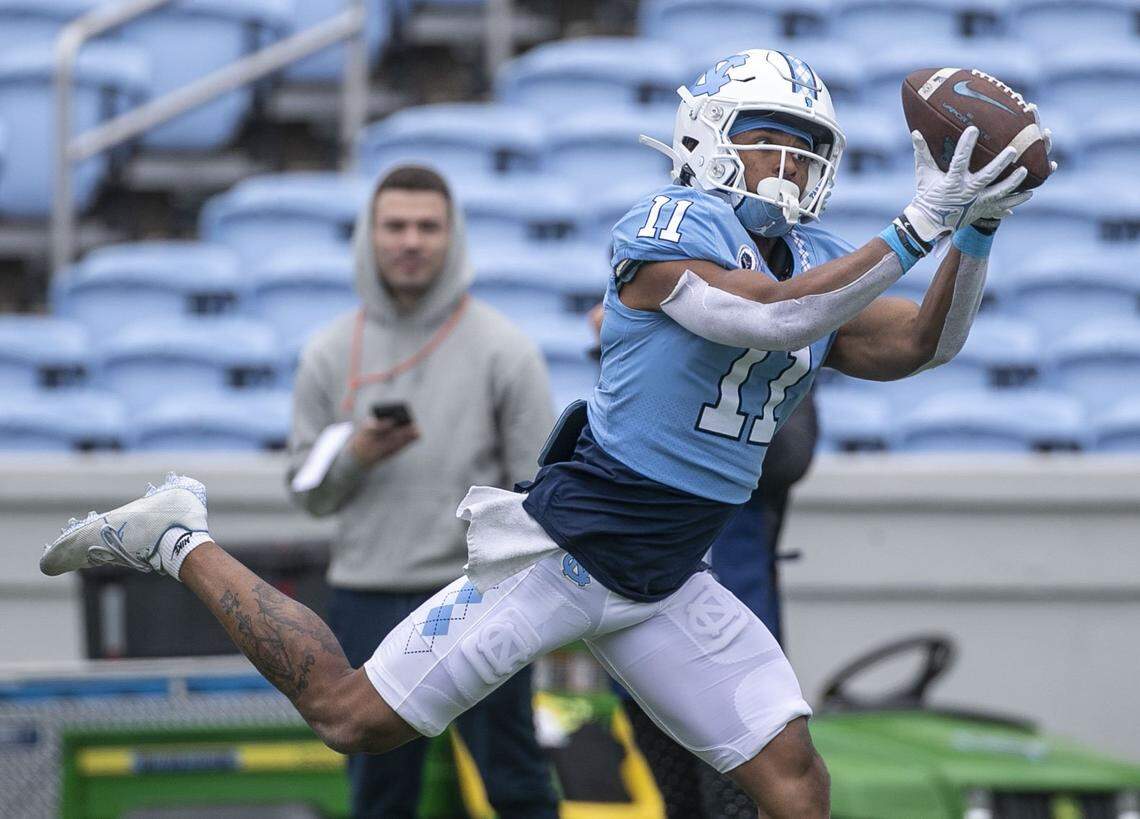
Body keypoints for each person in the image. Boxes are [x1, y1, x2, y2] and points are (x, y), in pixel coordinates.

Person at [40, 48, 1051, 818]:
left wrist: (978, 232)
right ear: (705, 135)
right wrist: (919, 225)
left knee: (795, 785)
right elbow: (768, 317)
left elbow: (921, 345)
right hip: (565, 554)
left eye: (803, 148)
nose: (784, 166)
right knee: (352, 719)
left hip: (666, 575)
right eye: (763, 139)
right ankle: (178, 535)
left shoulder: (823, 254)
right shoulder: (666, 223)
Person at [287, 164, 558, 818]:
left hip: (479, 597)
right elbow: (309, 494)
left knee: (516, 783)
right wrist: (353, 456)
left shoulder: (506, 349)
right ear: (369, 235)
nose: (411, 240)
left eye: (428, 226)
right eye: (395, 225)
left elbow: (542, 491)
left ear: (452, 235)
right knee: (380, 796)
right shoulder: (327, 351)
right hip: (365, 597)